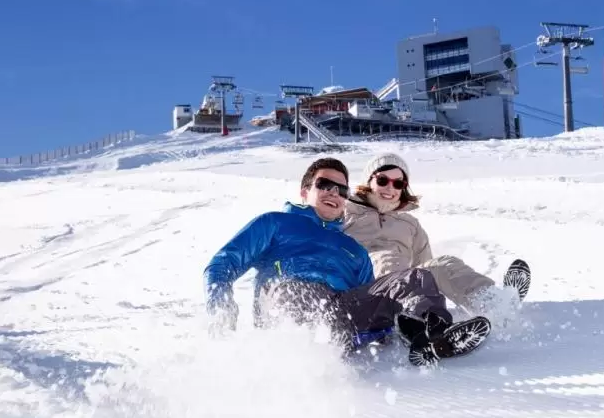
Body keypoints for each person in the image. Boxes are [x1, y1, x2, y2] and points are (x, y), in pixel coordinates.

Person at [202, 157, 489, 364]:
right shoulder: (275, 223)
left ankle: (434, 336)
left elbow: (373, 300)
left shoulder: (353, 249)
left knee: (415, 278)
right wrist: (220, 306)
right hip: (287, 302)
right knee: (301, 293)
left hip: (341, 311)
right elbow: (223, 264)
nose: (333, 193)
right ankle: (302, 360)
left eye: (341, 190)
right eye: (324, 185)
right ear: (305, 191)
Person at [342, 152, 531, 319]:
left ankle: (493, 302)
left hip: (401, 289)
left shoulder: (410, 224)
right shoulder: (344, 212)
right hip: (362, 292)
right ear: (368, 182)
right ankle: (422, 323)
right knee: (386, 258)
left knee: (442, 265)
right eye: (382, 180)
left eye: (398, 183)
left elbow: (424, 271)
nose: (390, 188)